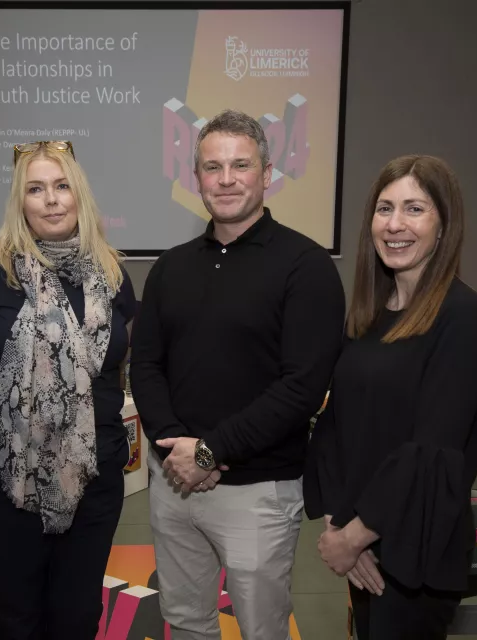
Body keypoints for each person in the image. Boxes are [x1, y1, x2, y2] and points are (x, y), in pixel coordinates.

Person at [129, 109, 346, 639]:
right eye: (212, 167)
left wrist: (208, 452)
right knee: (185, 622)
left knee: (261, 629)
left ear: (267, 174)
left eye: (240, 165)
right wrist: (174, 448)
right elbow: (146, 365)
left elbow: (301, 388)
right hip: (173, 480)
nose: (226, 179)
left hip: (259, 490)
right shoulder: (171, 267)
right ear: (195, 179)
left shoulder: (306, 266)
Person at [305, 155, 477, 639]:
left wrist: (352, 538)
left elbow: (432, 452)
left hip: (414, 553)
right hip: (361, 541)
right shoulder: (371, 312)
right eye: (384, 208)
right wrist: (338, 522)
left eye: (414, 209)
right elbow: (337, 424)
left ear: (443, 225)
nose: (394, 225)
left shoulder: (465, 317)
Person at [0, 140, 136, 639]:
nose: (51, 199)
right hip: (6, 474)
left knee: (78, 617)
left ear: (80, 196)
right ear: (20, 200)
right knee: (17, 618)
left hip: (94, 473)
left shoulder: (113, 273)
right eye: (36, 188)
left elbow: (125, 367)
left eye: (61, 186)